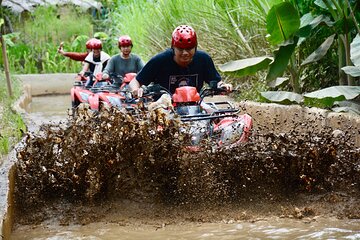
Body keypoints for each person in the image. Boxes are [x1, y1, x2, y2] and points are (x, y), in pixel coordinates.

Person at [129, 25, 232, 97]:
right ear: (173, 48)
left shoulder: (203, 59)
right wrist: (135, 90)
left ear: (195, 47)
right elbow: (136, 81)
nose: (185, 53)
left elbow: (216, 81)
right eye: (180, 49)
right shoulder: (160, 60)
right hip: (164, 107)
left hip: (195, 106)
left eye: (189, 48)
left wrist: (223, 86)